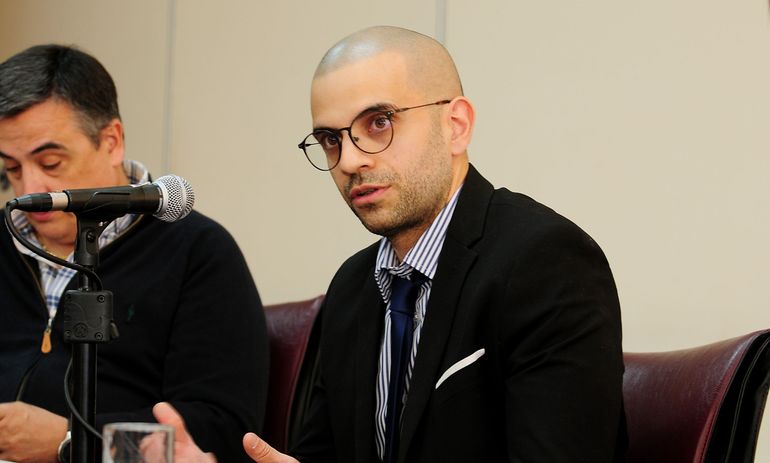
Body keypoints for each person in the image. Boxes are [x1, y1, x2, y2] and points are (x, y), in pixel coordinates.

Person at [159, 25, 626, 462]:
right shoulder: (352, 286)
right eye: (329, 139)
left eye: (379, 122)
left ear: (456, 125)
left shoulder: (545, 262)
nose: (350, 161)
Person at [0, 44, 268, 463]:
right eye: (11, 169)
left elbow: (224, 427)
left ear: (111, 141)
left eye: (50, 162)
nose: (29, 188)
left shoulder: (197, 251)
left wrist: (73, 441)